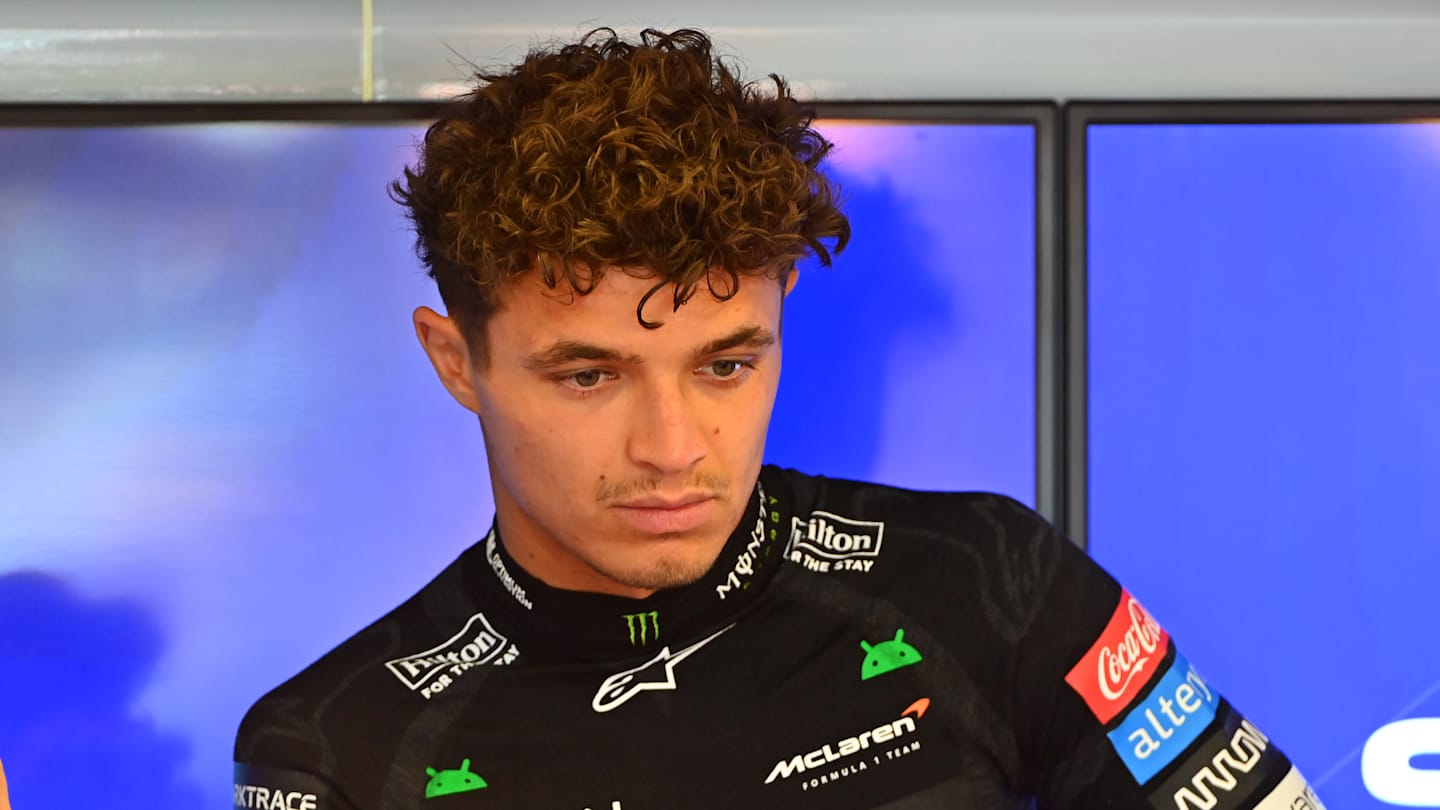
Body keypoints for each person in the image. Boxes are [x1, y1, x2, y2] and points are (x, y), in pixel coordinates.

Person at [234, 27, 1326, 809]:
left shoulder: (991, 583)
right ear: (454, 360)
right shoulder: (336, 750)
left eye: (726, 364)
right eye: (589, 377)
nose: (672, 449)